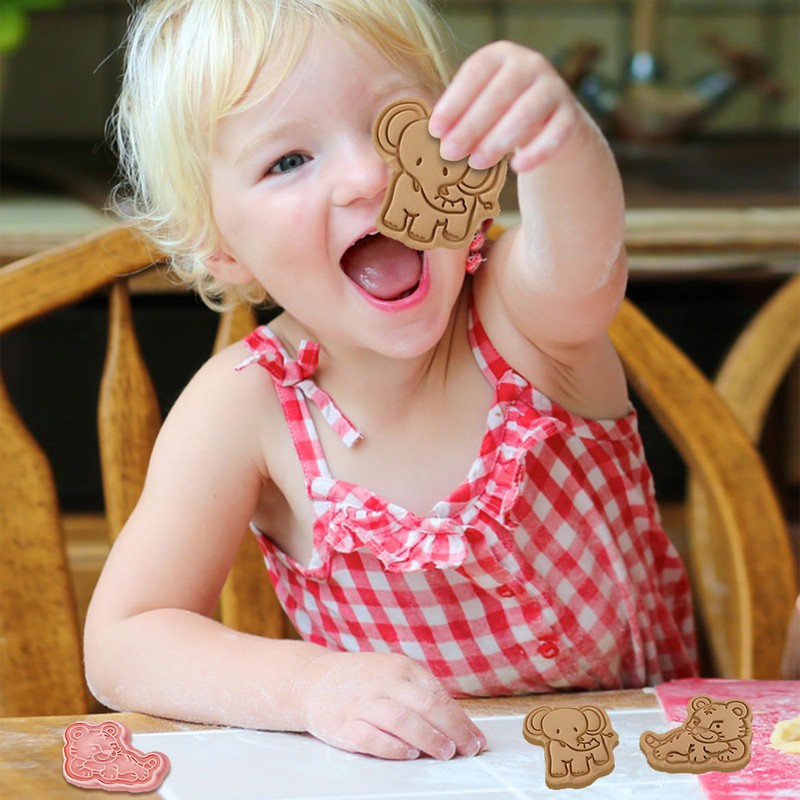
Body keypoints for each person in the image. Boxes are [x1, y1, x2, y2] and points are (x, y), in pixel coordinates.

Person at [84, 0, 697, 762]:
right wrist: (312, 687)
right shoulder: (244, 408)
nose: (367, 177)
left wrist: (556, 138)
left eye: (395, 126)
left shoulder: (523, 315)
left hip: (635, 764)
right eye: (289, 161)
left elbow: (587, 262)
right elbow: (126, 638)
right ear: (225, 251)